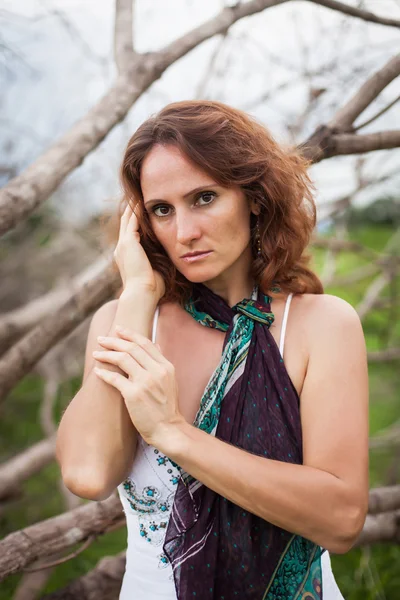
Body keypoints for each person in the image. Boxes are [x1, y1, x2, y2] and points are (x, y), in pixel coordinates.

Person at [56, 100, 369, 599]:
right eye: (161, 210)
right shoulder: (127, 323)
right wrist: (137, 295)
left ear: (255, 198)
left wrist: (172, 433)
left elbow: (341, 518)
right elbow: (88, 473)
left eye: (203, 197)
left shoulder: (319, 325)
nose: (184, 232)